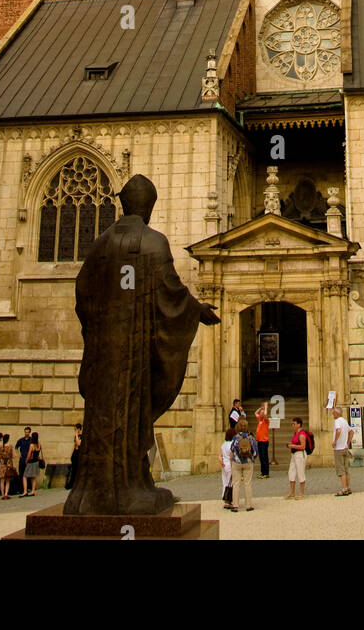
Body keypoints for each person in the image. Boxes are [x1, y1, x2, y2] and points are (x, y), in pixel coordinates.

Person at [63, 173, 219, 517]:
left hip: (104, 352)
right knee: (133, 411)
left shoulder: (101, 242)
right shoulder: (153, 242)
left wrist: (98, 331)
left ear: (122, 203)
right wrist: (197, 311)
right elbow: (171, 291)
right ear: (149, 206)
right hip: (135, 352)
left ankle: (91, 493)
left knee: (103, 413)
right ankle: (128, 489)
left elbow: (82, 292)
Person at [229, 419, 257, 511]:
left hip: (237, 462)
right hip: (248, 462)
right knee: (247, 483)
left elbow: (232, 449)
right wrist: (252, 458)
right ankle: (248, 505)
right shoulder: (251, 437)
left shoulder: (236, 437)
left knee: (236, 483)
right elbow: (255, 452)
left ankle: (235, 505)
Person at [285, 417, 308, 500]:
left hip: (300, 455)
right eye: (292, 424)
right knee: (291, 472)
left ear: (299, 424)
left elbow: (303, 446)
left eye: (294, 424)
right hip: (294, 455)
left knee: (300, 473)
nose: (293, 425)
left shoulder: (301, 434)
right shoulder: (296, 433)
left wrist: (292, 446)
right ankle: (292, 492)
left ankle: (301, 493)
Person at [332, 406, 352, 496]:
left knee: (341, 470)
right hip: (345, 448)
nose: (332, 414)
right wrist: (347, 442)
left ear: (337, 413)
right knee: (346, 469)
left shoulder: (337, 421)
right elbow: (351, 431)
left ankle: (344, 489)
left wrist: (335, 441)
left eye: (333, 413)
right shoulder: (344, 421)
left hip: (339, 449)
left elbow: (338, 430)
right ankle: (348, 487)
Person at [21, 431, 43, 497]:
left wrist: (26, 460)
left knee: (25, 476)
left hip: (31, 462)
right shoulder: (39, 444)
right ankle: (33, 491)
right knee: (33, 477)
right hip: (36, 461)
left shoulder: (32, 445)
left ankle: (25, 491)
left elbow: (29, 454)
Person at [219, 426, 235, 510]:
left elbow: (220, 455)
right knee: (231, 483)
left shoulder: (223, 444)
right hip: (229, 464)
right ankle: (229, 500)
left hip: (224, 465)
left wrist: (221, 462)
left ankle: (225, 500)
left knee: (225, 482)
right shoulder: (231, 444)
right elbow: (231, 457)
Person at [255, 403, 270, 478]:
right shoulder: (259, 420)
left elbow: (266, 415)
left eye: (262, 413)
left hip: (264, 441)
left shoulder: (266, 421)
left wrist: (266, 408)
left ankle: (266, 473)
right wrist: (260, 408)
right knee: (261, 457)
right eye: (261, 413)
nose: (261, 414)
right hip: (259, 441)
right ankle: (262, 472)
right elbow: (255, 413)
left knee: (264, 457)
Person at [65, 423, 82, 490]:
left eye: (76, 429)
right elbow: (75, 445)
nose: (75, 430)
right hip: (75, 454)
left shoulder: (80, 436)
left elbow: (78, 443)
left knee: (76, 470)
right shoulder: (76, 436)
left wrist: (76, 434)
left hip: (78, 454)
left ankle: (73, 484)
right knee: (73, 470)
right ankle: (71, 483)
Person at [0, 434, 16, 499]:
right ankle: (6, 493)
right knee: (8, 480)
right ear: (8, 439)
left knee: (2, 480)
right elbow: (13, 456)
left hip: (2, 464)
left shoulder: (0, 447)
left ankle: (2, 494)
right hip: (8, 464)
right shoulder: (11, 446)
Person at [15, 425, 32, 490]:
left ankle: (28, 487)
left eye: (27, 432)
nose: (26, 433)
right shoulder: (21, 440)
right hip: (22, 459)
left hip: (29, 459)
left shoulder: (31, 440)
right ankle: (21, 488)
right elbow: (16, 447)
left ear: (29, 432)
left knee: (29, 474)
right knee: (21, 473)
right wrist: (18, 454)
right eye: (25, 432)